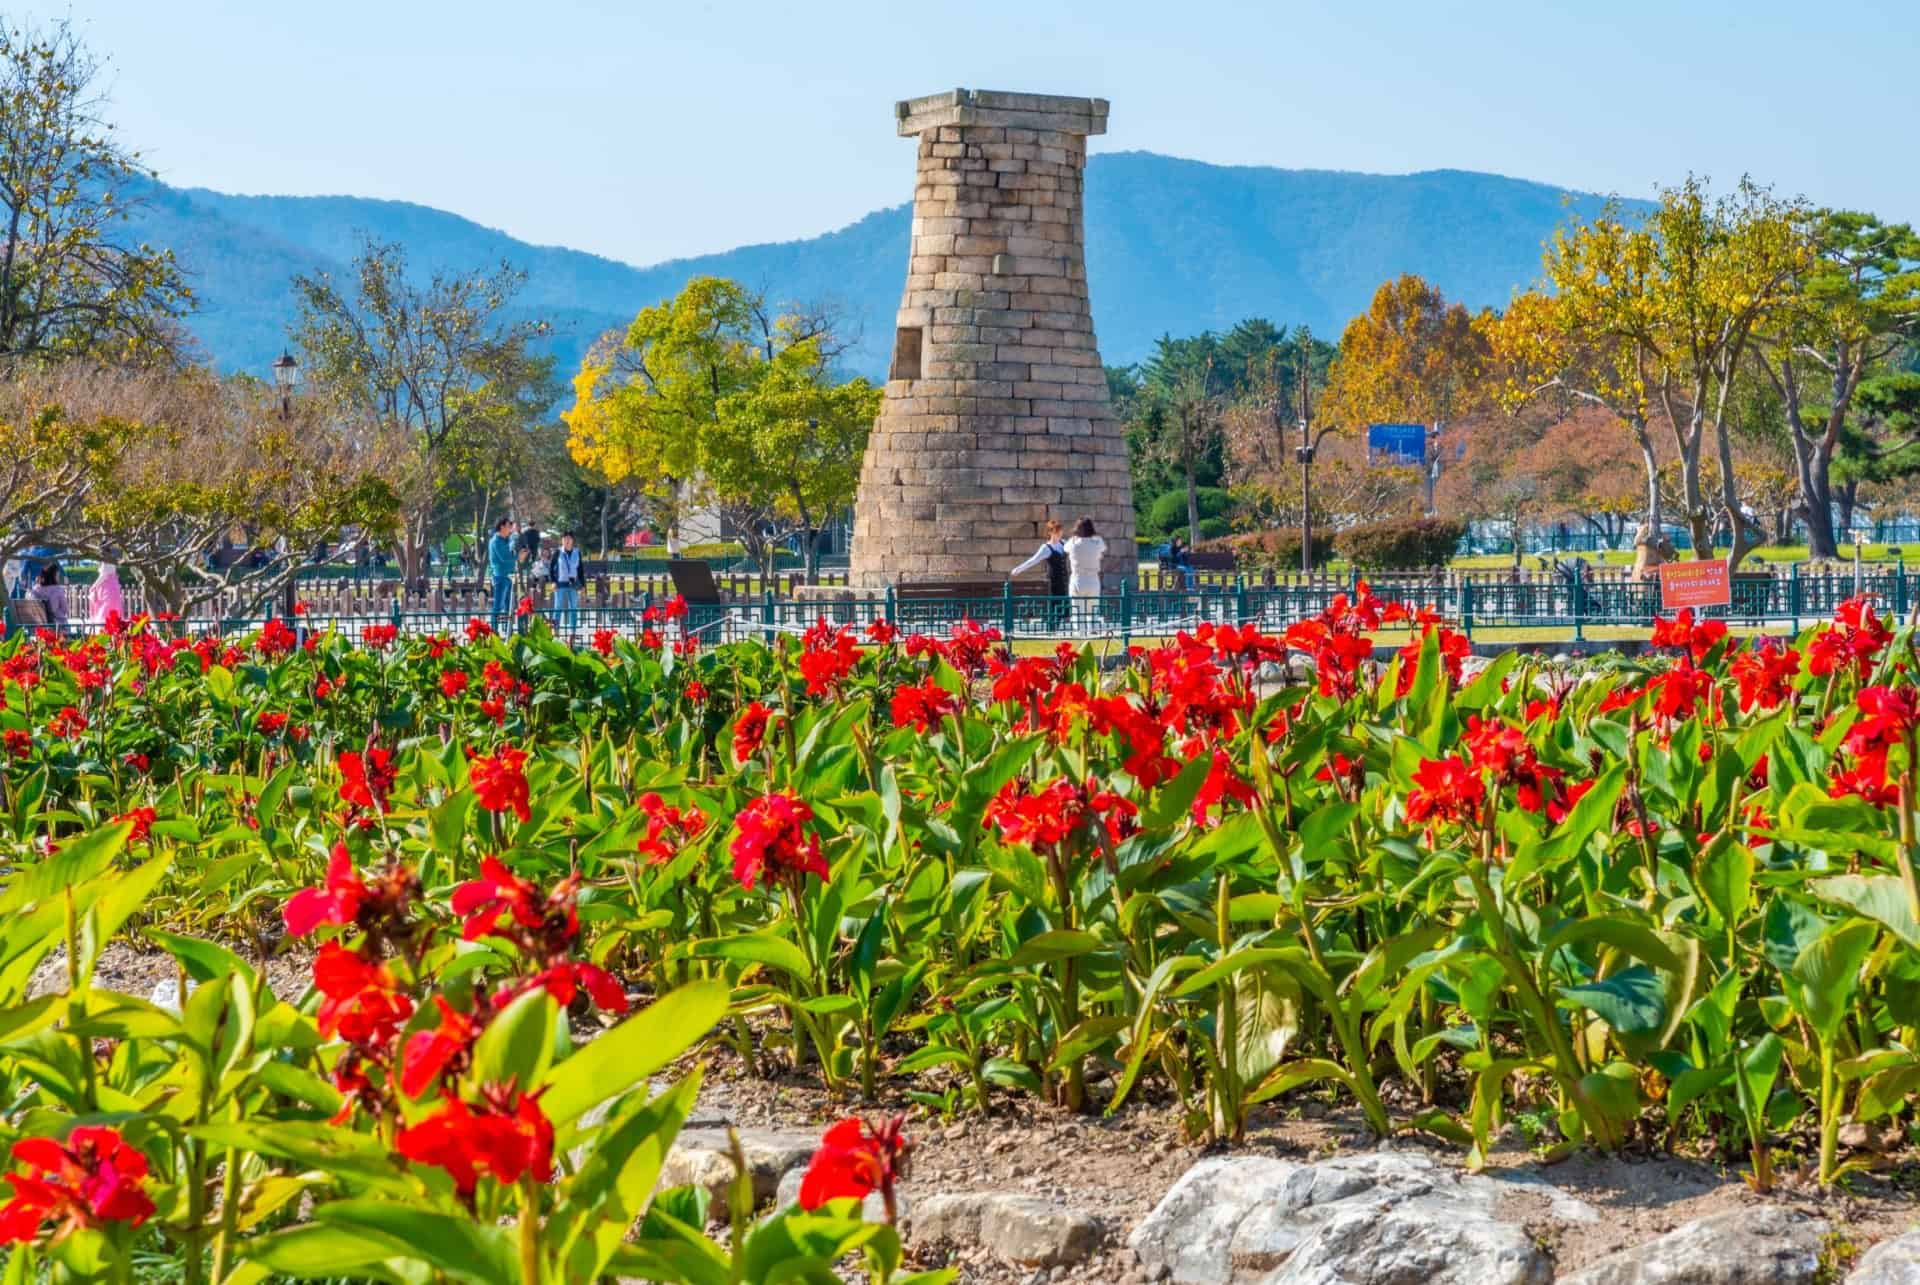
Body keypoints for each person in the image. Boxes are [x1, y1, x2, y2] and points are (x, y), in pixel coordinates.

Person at [1065, 517, 1106, 630]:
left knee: (1078, 611)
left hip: (1077, 579)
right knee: (1093, 610)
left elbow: (1065, 549)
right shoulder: (1098, 541)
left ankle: (1080, 633)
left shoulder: (1072, 542)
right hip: (1093, 579)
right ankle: (1093, 631)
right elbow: (1102, 550)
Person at [549, 531, 583, 636]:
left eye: (569, 538)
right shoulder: (557, 552)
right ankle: (556, 630)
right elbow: (551, 568)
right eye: (565, 538)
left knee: (573, 607)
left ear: (573, 540)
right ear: (562, 540)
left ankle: (573, 632)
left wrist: (583, 585)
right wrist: (553, 582)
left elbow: (580, 569)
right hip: (560, 584)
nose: (567, 541)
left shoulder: (577, 552)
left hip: (573, 584)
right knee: (558, 607)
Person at [488, 518, 518, 631]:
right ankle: (494, 631)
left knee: (508, 606)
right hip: (500, 577)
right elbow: (504, 557)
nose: (510, 529)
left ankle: (507, 630)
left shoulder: (506, 540)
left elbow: (511, 550)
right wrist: (517, 557)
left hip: (507, 577)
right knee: (498, 606)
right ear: (501, 527)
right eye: (508, 526)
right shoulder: (496, 541)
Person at [31, 562, 67, 629]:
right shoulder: (58, 589)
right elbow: (64, 609)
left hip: (39, 627)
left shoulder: (35, 589)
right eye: (57, 575)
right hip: (58, 627)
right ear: (54, 576)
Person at [90, 561, 124, 626]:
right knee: (112, 606)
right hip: (111, 587)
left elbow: (103, 575)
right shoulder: (110, 561)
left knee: (106, 607)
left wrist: (94, 586)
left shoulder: (106, 562)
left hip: (108, 589)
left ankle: (104, 625)